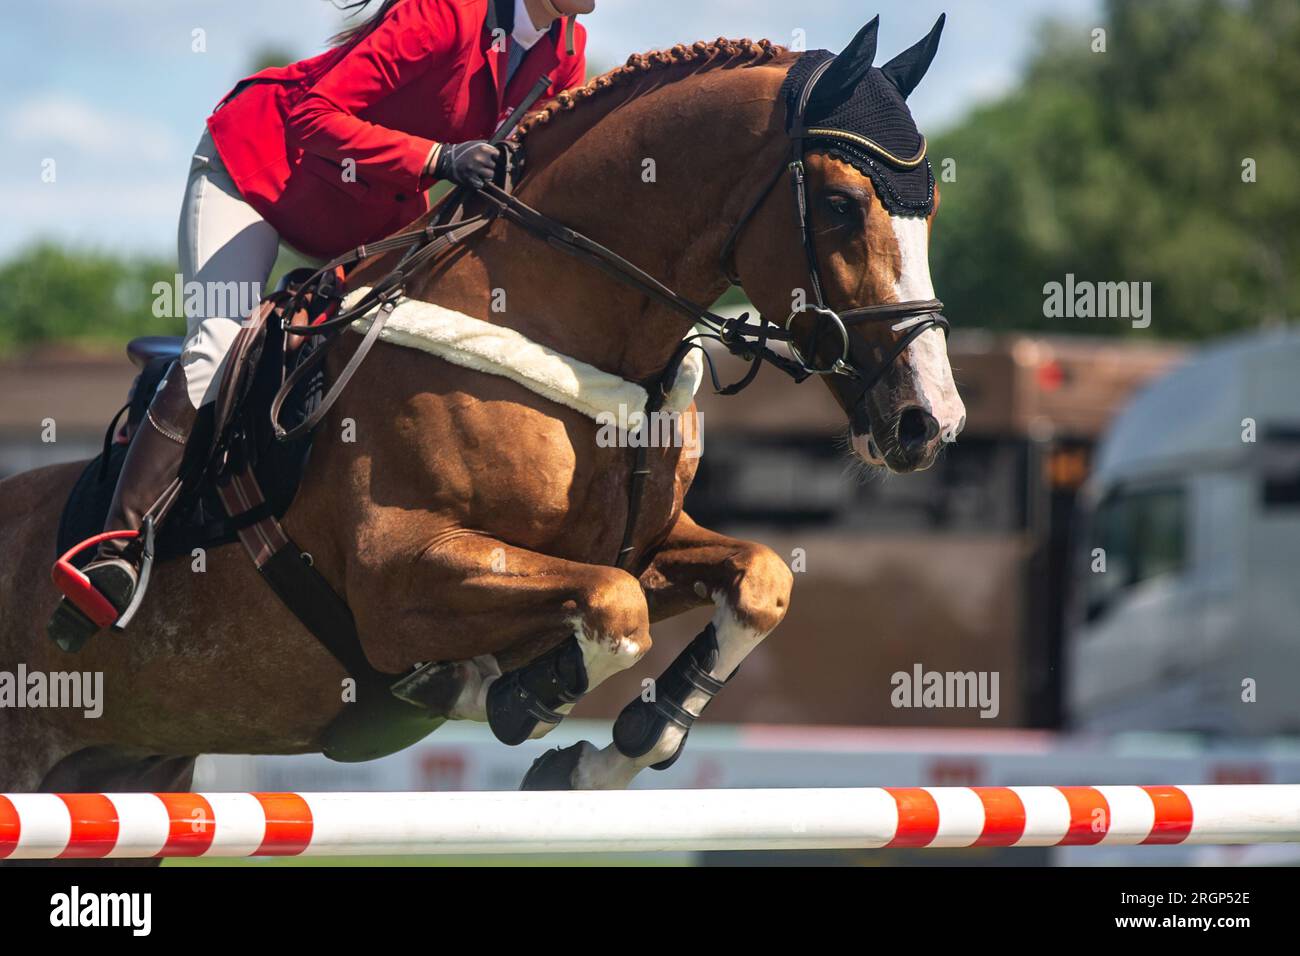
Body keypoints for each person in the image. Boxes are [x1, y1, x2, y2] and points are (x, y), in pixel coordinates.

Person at [49, 0, 594, 648]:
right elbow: (312, 112)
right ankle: (117, 544)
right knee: (220, 342)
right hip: (258, 172)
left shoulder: (565, 49)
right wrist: (439, 159)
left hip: (366, 216)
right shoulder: (446, 12)